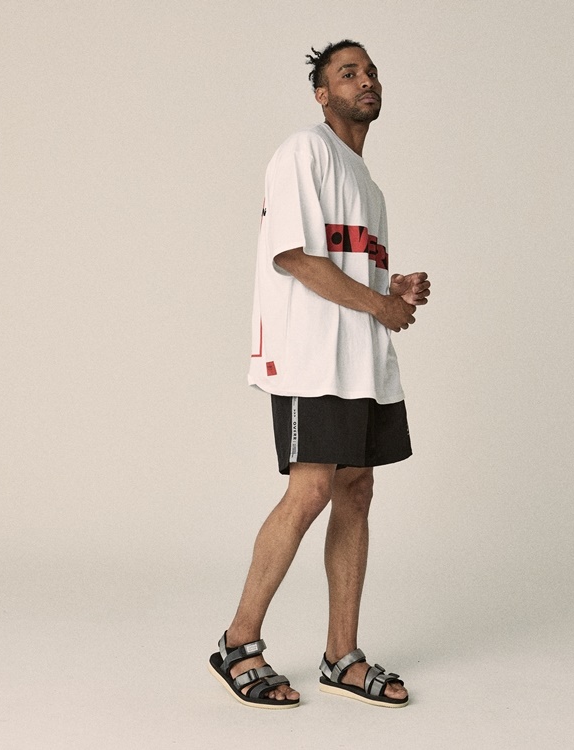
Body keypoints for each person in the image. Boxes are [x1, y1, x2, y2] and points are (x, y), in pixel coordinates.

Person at [208, 40, 430, 709]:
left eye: (371, 72)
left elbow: (346, 266)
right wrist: (383, 306)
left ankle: (342, 655)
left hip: (361, 359)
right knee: (309, 491)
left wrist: (393, 286)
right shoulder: (305, 151)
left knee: (356, 489)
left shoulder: (368, 184)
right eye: (348, 72)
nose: (365, 80)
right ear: (322, 92)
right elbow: (296, 258)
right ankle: (238, 643)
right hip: (313, 356)